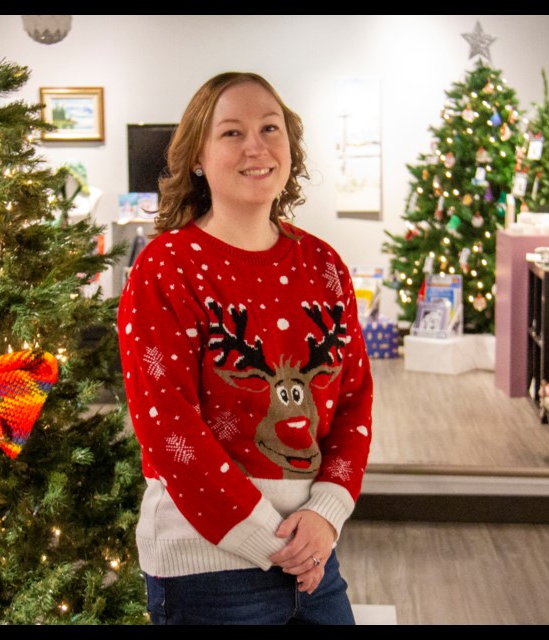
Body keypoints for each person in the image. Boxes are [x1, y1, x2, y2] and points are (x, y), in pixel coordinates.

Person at [117, 71, 373, 625]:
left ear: (290, 147)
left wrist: (326, 516)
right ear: (197, 158)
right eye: (232, 133)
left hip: (312, 552)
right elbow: (169, 430)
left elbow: (354, 401)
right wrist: (276, 544)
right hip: (207, 567)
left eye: (269, 128)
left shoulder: (324, 264)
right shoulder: (166, 269)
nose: (256, 146)